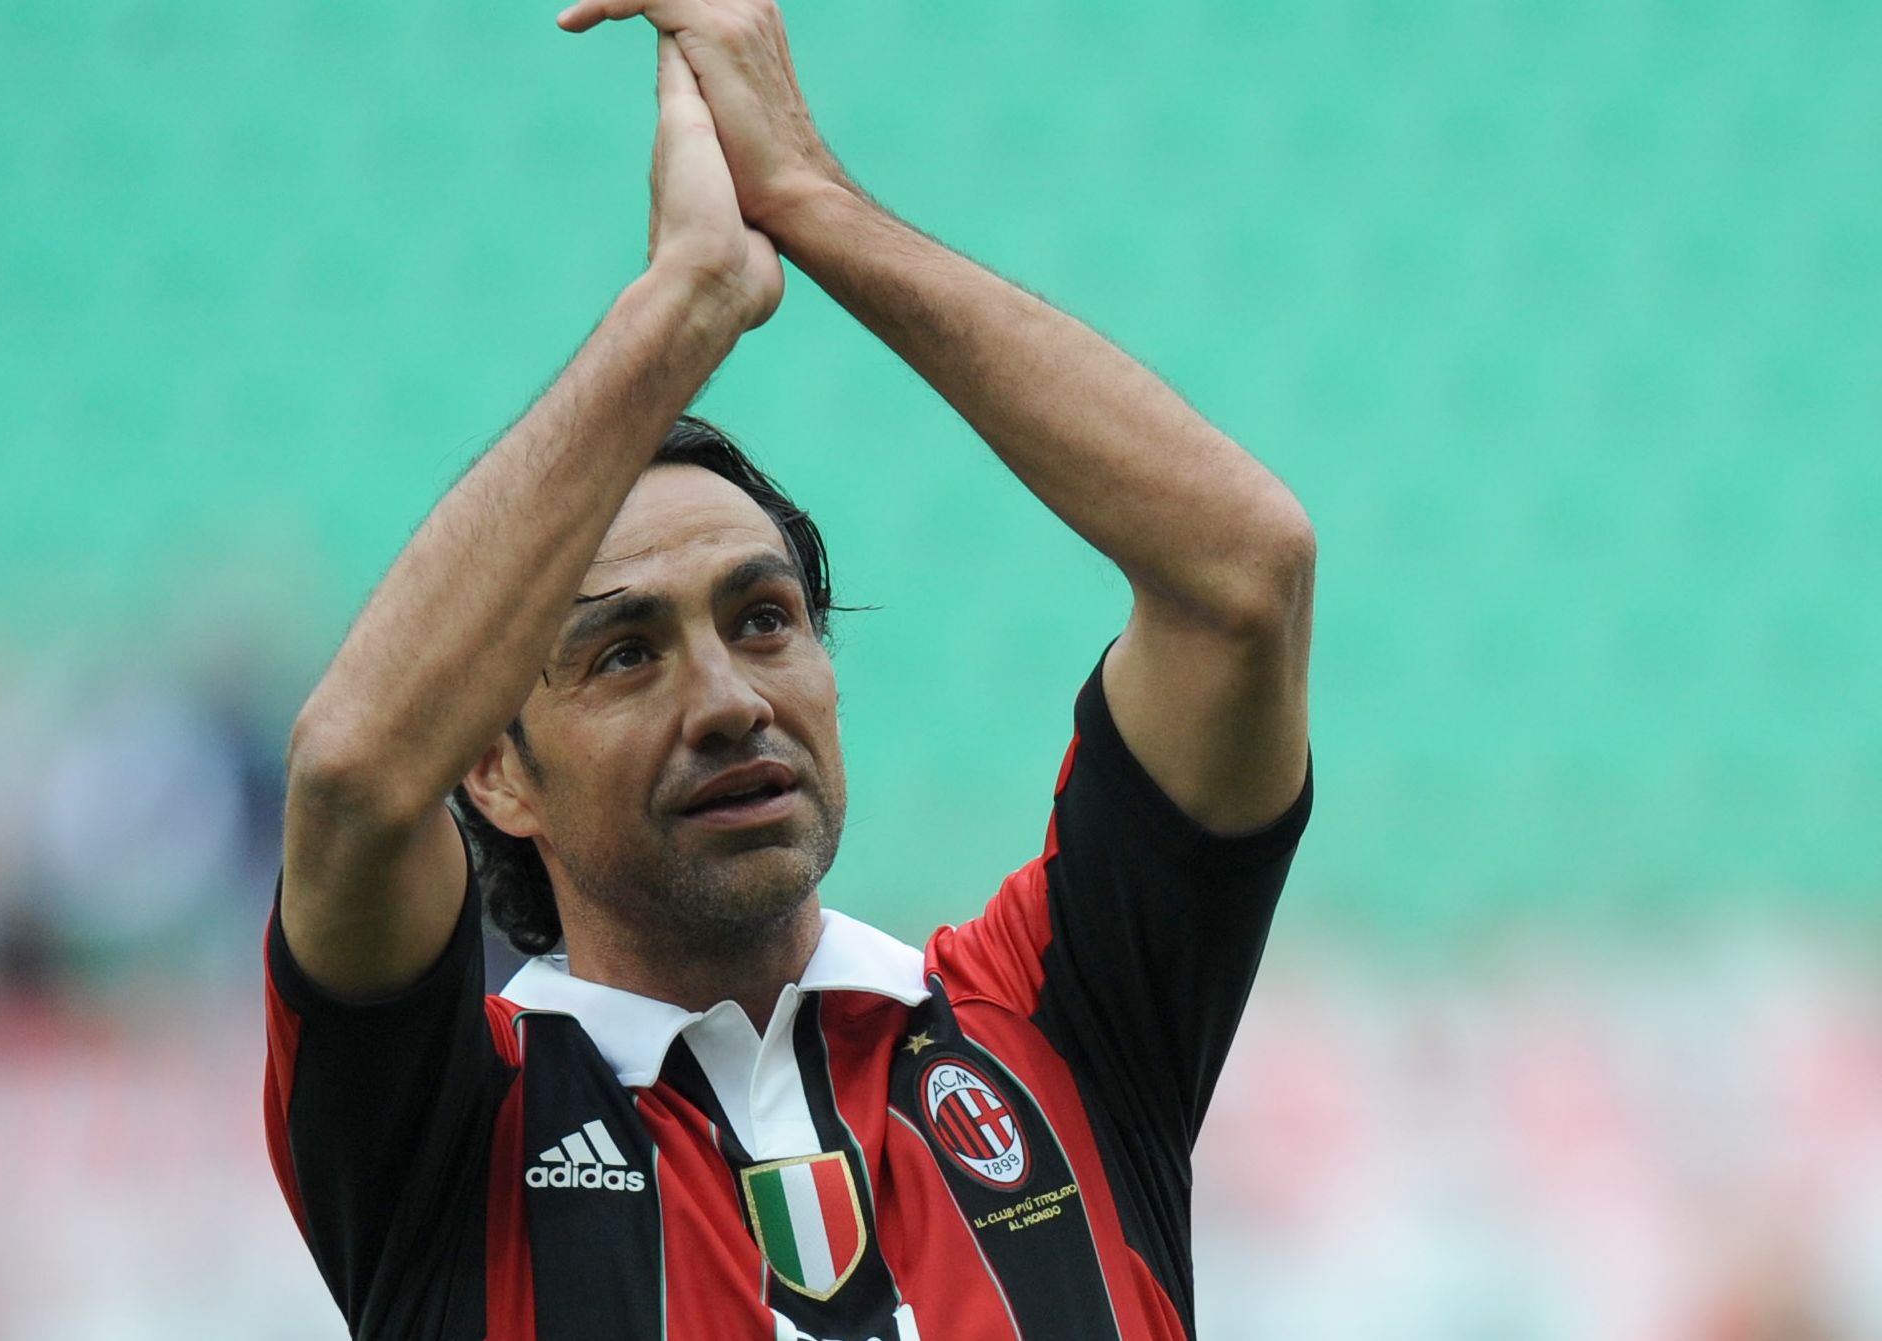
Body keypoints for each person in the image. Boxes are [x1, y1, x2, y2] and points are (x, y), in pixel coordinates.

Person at [262, 3, 1316, 1338]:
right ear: (496, 771)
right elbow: (352, 782)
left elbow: (1245, 578)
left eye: (765, 619)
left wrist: (812, 201)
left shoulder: (1054, 1023)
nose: (728, 701)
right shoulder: (446, 1131)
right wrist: (682, 309)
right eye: (625, 652)